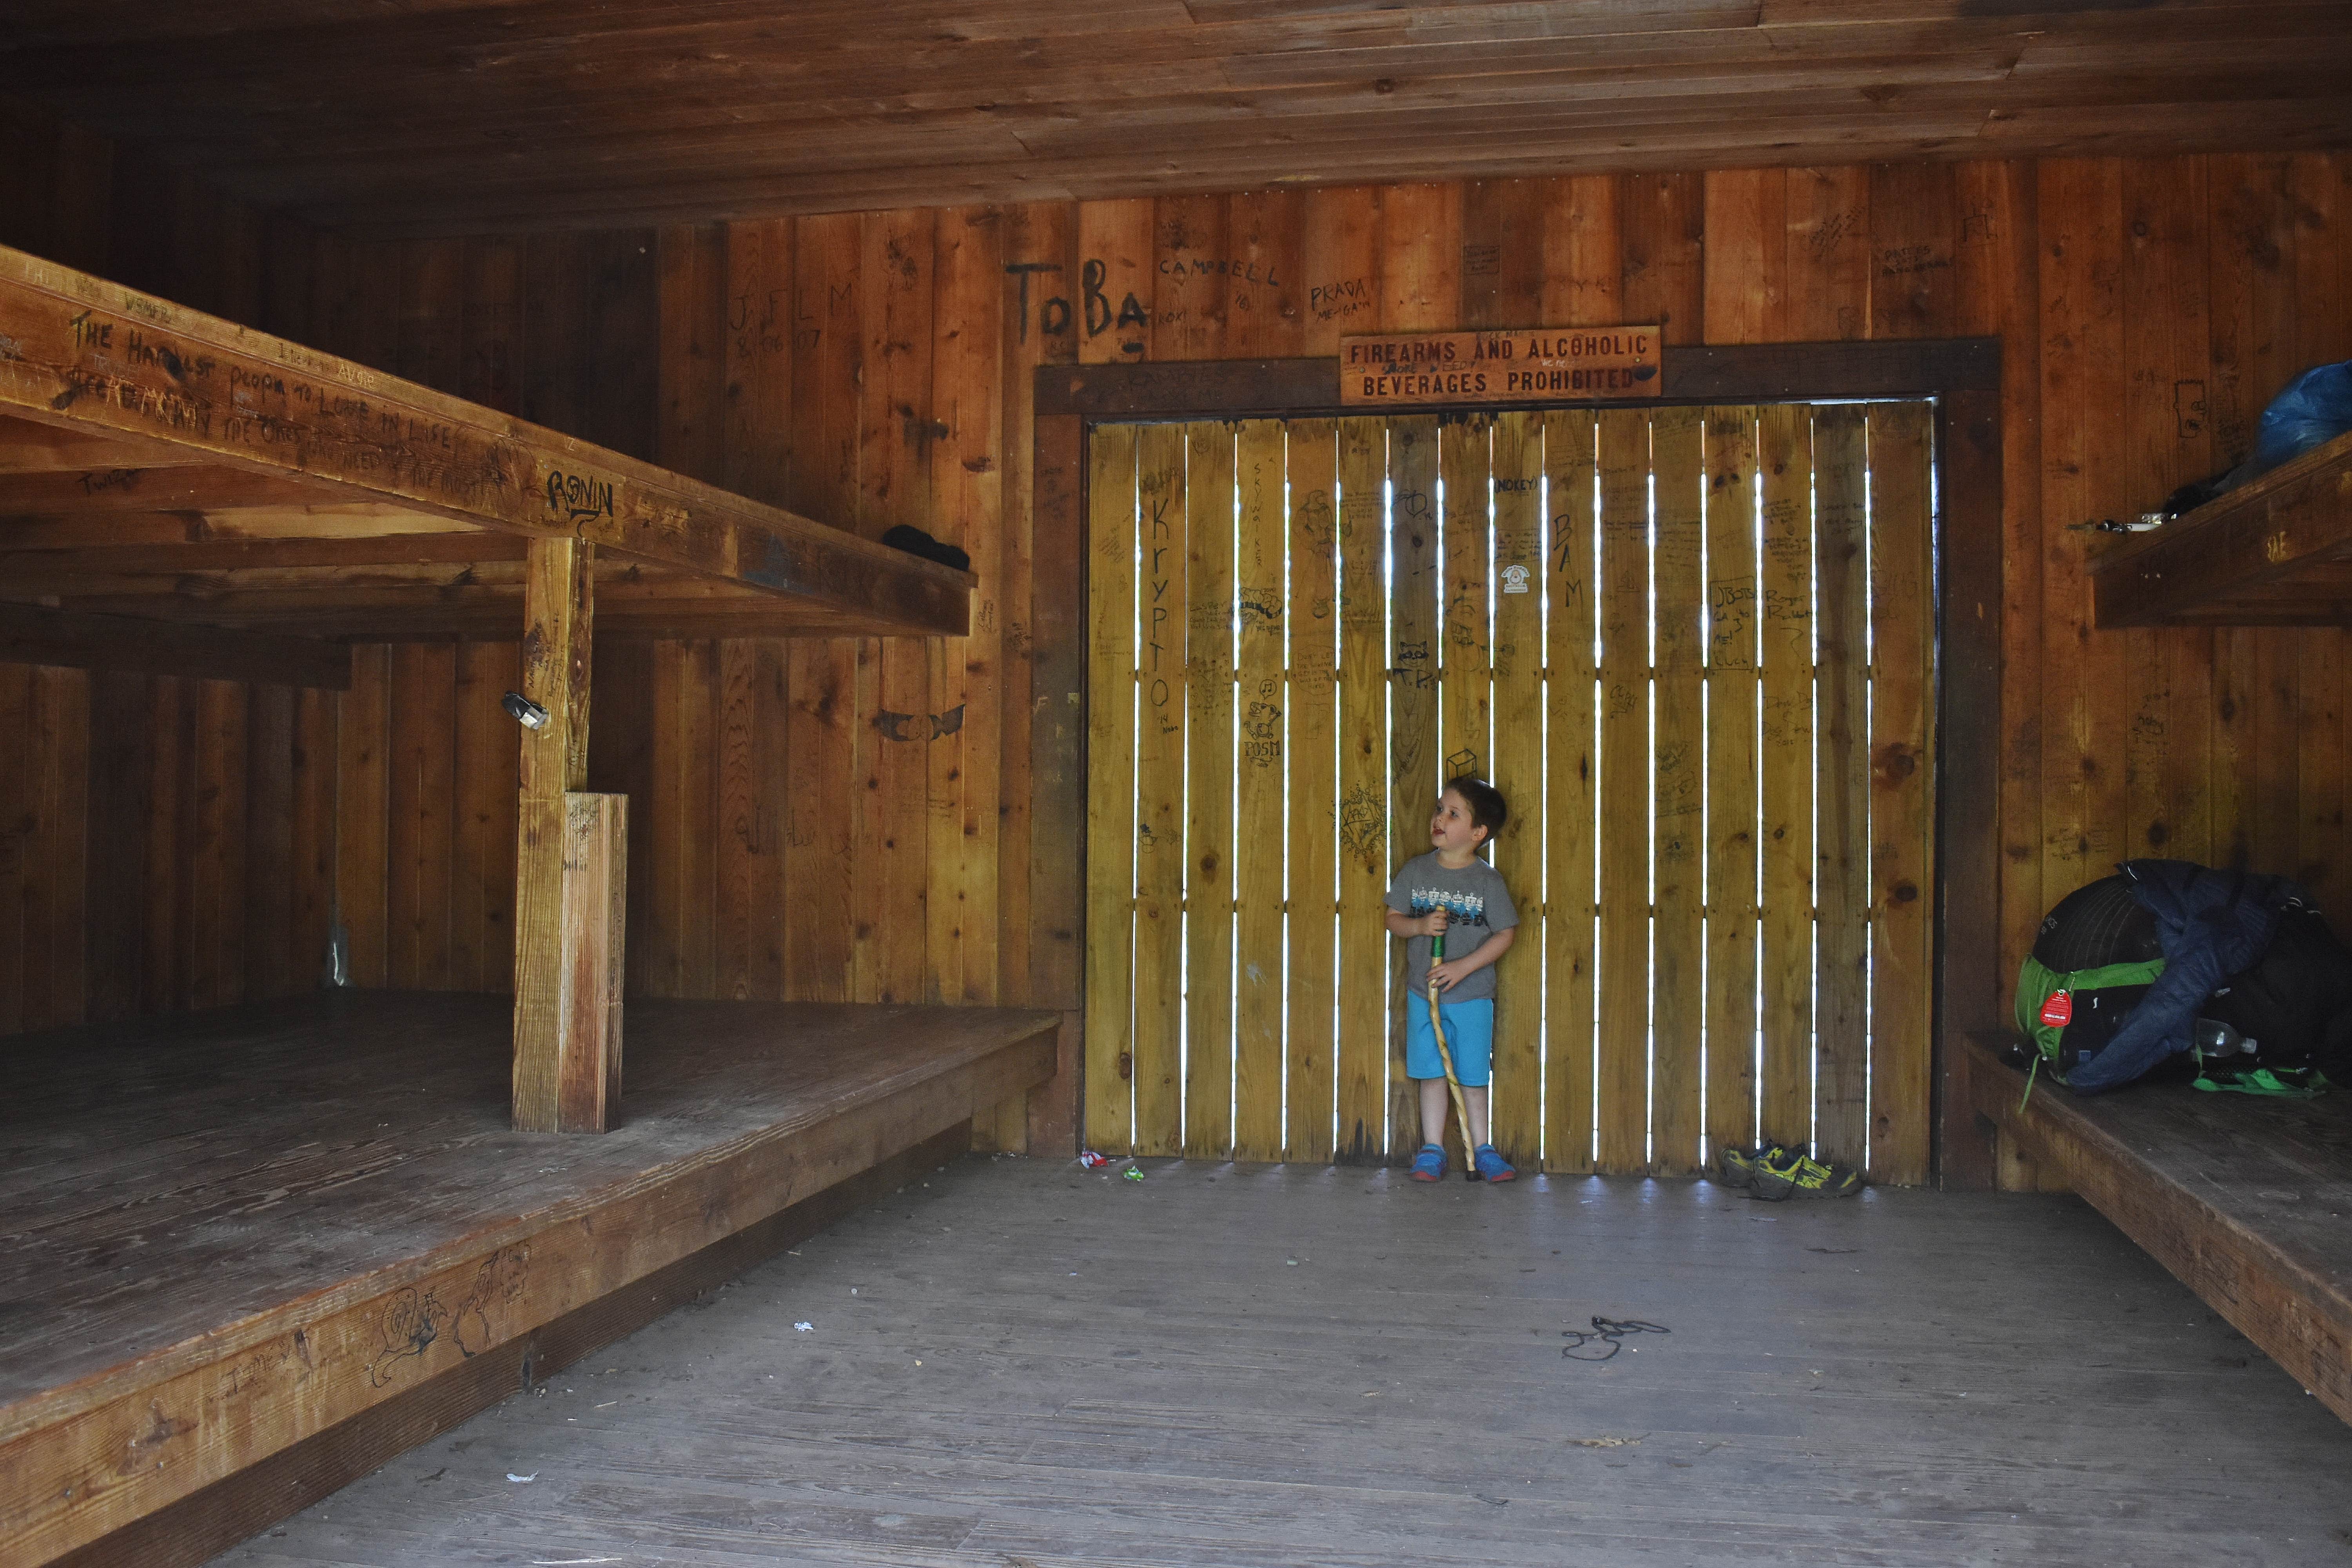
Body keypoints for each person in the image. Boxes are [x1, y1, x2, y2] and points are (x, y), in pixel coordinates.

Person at [1383, 776, 1518, 1183]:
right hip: (1424, 996)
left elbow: (1505, 934)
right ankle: (1433, 1149)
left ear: (1478, 833)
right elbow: (1393, 920)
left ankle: (1483, 1150)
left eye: (1452, 813)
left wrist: (1463, 967)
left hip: (1473, 996)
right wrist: (1421, 926)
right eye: (1439, 809)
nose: (1439, 817)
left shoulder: (1487, 882)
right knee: (1432, 1073)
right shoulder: (1416, 871)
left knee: (1473, 1076)